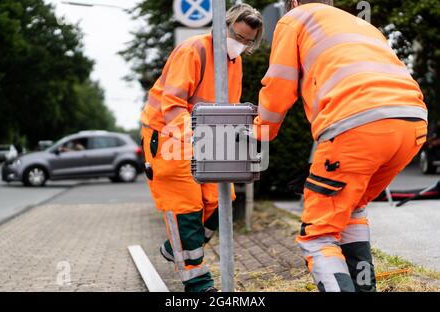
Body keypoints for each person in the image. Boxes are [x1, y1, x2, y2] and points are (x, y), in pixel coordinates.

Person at [254, 0, 428, 292]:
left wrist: (261, 132)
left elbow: (279, 84)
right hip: (412, 123)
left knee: (318, 236)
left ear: (293, 2)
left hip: (355, 124)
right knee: (352, 207)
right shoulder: (360, 24)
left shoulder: (295, 18)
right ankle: (363, 288)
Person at [140, 4, 264, 292]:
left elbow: (226, 107)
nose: (241, 44)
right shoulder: (193, 50)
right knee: (186, 209)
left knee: (221, 200)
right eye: (238, 36)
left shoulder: (235, 61)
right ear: (224, 26)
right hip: (169, 135)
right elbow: (172, 105)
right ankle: (198, 284)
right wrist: (196, 140)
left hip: (204, 138)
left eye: (248, 41)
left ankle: (176, 247)